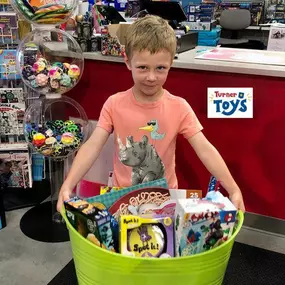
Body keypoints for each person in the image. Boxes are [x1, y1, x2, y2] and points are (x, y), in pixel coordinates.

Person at [57, 15, 245, 212]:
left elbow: (205, 149)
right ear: (128, 62)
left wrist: (233, 189)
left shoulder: (179, 107)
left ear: (171, 63)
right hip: (123, 199)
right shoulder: (114, 104)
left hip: (165, 201)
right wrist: (68, 185)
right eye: (143, 68)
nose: (151, 77)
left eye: (160, 68)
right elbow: (92, 146)